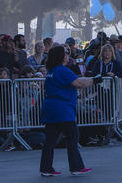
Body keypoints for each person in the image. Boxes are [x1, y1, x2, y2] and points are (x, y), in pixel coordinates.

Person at [39, 44, 96, 177]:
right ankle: (76, 166)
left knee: (50, 141)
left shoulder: (51, 71)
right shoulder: (62, 70)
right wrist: (94, 80)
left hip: (50, 108)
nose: (67, 56)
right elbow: (78, 83)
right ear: (60, 56)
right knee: (72, 137)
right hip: (63, 109)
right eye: (64, 53)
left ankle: (46, 168)